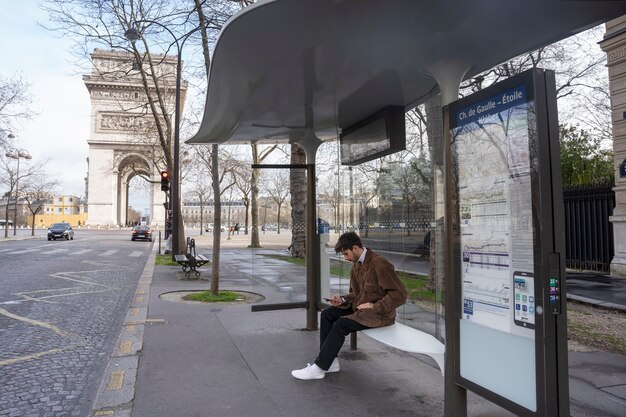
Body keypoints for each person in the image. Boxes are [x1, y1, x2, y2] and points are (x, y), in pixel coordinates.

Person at [291, 231, 408, 380]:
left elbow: (400, 294)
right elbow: (356, 294)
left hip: (379, 315)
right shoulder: (356, 266)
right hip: (360, 311)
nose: (345, 258)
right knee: (328, 314)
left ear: (355, 248)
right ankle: (331, 362)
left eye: (346, 254)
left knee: (341, 324)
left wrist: (374, 306)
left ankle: (319, 368)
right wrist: (342, 299)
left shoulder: (380, 264)